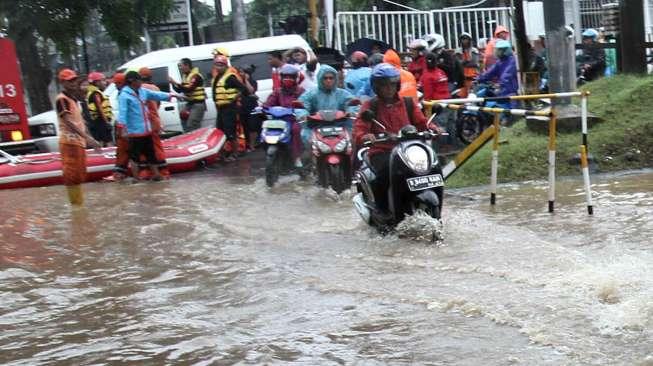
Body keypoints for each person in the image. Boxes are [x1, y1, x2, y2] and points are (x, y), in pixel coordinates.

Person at [352, 63, 440, 211]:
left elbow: (421, 122)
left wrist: (432, 129)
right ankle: (382, 211)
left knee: (433, 168)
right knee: (384, 175)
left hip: (409, 150)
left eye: (392, 85)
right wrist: (366, 136)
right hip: (382, 151)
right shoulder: (370, 106)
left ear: (397, 85)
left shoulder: (407, 103)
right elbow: (359, 130)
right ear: (376, 87)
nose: (389, 89)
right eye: (384, 85)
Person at [118, 71, 180, 181]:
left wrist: (172, 95)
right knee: (135, 156)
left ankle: (156, 175)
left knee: (151, 154)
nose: (141, 82)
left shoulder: (142, 91)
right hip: (134, 132)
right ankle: (136, 178)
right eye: (139, 80)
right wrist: (122, 128)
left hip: (146, 130)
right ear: (132, 82)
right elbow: (123, 113)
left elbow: (156, 95)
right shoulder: (124, 96)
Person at [55, 68, 101, 205]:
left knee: (79, 175)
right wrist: (88, 138)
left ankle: (79, 205)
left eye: (74, 80)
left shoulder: (73, 99)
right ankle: (76, 206)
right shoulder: (62, 99)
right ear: (63, 83)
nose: (73, 83)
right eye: (70, 81)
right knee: (71, 175)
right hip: (69, 142)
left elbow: (80, 120)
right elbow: (68, 121)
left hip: (78, 142)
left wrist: (87, 136)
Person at [298, 64, 357, 147]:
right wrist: (303, 114)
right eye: (325, 78)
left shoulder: (343, 94)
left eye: (331, 78)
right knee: (307, 140)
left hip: (340, 127)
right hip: (315, 126)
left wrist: (351, 112)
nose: (328, 80)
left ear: (335, 79)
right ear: (320, 79)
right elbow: (302, 105)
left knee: (352, 142)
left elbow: (352, 103)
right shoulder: (311, 94)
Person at [212, 55, 253, 161]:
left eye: (221, 65)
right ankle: (222, 154)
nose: (218, 67)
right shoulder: (218, 77)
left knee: (230, 132)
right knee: (220, 131)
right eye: (216, 65)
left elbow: (243, 89)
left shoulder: (230, 77)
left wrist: (234, 98)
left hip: (229, 108)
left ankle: (234, 154)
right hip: (221, 108)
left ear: (225, 66)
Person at [264, 64, 305, 167]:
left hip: (294, 120)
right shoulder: (278, 92)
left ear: (296, 78)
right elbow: (269, 103)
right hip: (280, 121)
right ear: (281, 78)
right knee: (266, 129)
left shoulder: (300, 91)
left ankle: (297, 157)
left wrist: (301, 110)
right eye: (285, 77)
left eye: (291, 77)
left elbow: (306, 104)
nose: (288, 79)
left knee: (295, 130)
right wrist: (263, 108)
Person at [139, 67, 170, 179]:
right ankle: (162, 171)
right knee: (156, 147)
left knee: (143, 148)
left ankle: (146, 172)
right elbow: (157, 105)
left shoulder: (138, 89)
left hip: (143, 123)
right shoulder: (155, 88)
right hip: (154, 121)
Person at [477, 40, 518, 123]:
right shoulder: (500, 62)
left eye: (498, 50)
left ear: (505, 51)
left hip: (511, 91)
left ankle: (507, 121)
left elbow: (506, 75)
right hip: (502, 90)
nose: (496, 52)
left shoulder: (512, 61)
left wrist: (500, 84)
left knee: (509, 114)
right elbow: (490, 72)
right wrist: (479, 78)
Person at [169, 58, 206, 132]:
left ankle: (197, 139)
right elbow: (180, 90)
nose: (180, 68)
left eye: (181, 65)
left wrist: (175, 82)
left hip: (198, 104)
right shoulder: (185, 76)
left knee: (192, 125)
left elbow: (189, 89)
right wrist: (172, 83)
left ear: (187, 65)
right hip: (190, 103)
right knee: (183, 120)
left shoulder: (195, 76)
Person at [85, 72, 114, 146]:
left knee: (100, 141)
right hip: (101, 122)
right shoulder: (96, 93)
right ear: (97, 82)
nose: (105, 83)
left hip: (97, 121)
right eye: (103, 80)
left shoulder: (91, 92)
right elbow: (99, 108)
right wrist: (106, 122)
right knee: (108, 142)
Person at [111, 72, 130, 180]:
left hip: (125, 126)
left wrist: (121, 127)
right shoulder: (130, 92)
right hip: (130, 126)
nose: (115, 86)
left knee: (123, 150)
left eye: (116, 83)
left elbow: (124, 113)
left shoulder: (123, 94)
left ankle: (120, 173)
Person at [237, 64, 259, 151]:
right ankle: (246, 144)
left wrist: (246, 79)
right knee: (244, 126)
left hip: (251, 106)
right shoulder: (237, 82)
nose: (240, 74)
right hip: (242, 107)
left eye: (241, 72)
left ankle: (252, 145)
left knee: (252, 127)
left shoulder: (253, 82)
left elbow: (251, 91)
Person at [454, 32, 480, 97]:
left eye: (466, 39)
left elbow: (475, 63)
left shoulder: (474, 50)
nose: (464, 40)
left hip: (473, 76)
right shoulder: (458, 51)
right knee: (462, 95)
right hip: (462, 77)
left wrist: (464, 63)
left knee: (473, 94)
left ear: (469, 40)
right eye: (462, 39)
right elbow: (457, 64)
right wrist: (466, 61)